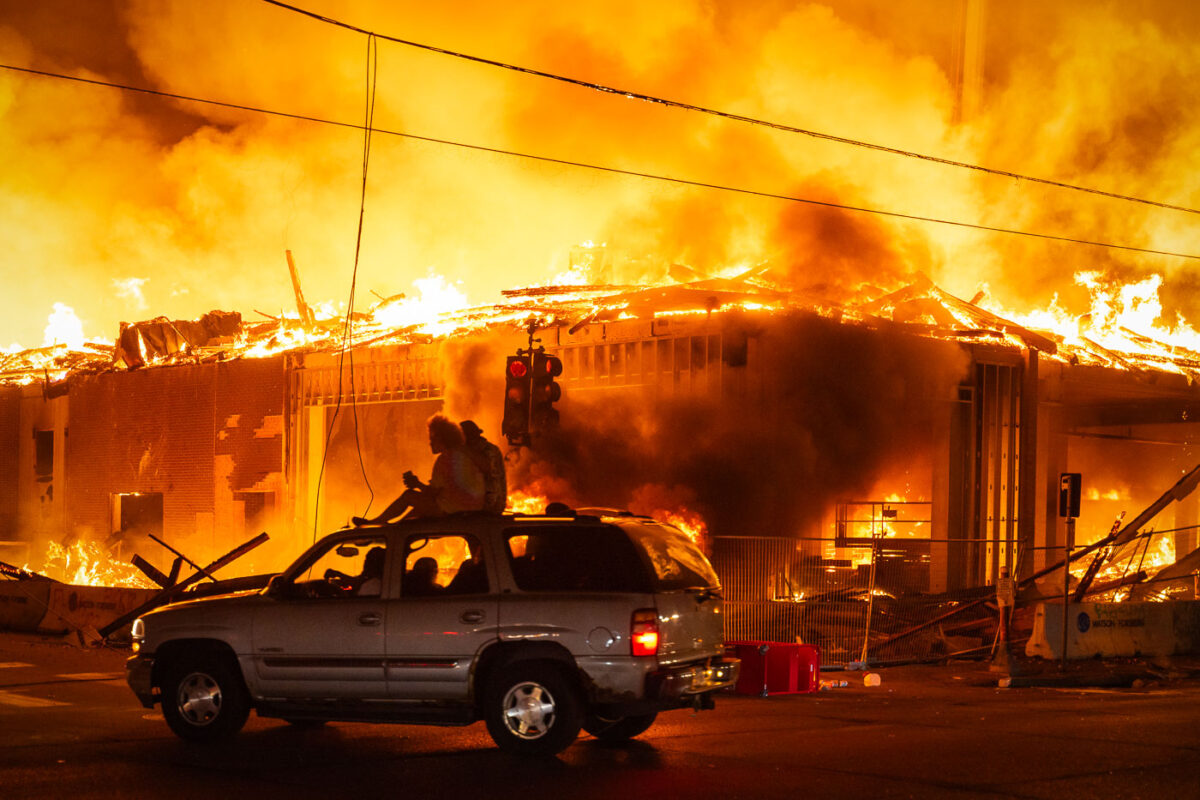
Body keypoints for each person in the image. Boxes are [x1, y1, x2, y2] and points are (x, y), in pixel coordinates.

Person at [353, 414, 485, 525]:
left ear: (441, 439)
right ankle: (393, 529)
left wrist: (416, 484)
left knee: (408, 496)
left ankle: (377, 523)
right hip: (470, 507)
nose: (430, 442)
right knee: (414, 513)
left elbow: (432, 493)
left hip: (454, 509)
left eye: (432, 438)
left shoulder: (445, 459)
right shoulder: (462, 455)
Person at [460, 420, 507, 514]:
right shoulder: (470, 452)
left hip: (489, 506)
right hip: (482, 506)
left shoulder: (489, 451)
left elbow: (488, 473)